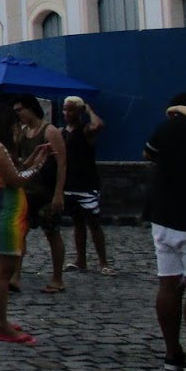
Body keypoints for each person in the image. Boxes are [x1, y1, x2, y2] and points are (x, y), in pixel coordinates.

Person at [0, 99, 50, 345]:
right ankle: (2, 325)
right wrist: (39, 165)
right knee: (2, 272)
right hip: (4, 215)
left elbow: (13, 168)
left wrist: (32, 157)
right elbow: (17, 179)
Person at [143, 92, 186, 371]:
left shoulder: (165, 128)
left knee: (167, 284)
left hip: (164, 217)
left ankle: (171, 352)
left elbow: (147, 154)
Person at [12, 95, 68, 294]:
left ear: (30, 109)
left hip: (46, 190)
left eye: (20, 110)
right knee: (20, 234)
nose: (18, 114)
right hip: (27, 191)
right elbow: (22, 162)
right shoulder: (24, 132)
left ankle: (57, 278)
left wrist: (59, 193)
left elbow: (62, 164)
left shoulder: (50, 131)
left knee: (52, 233)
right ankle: (15, 276)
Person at [61, 97, 112, 274]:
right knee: (77, 223)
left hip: (87, 184)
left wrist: (89, 110)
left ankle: (103, 262)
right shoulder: (63, 132)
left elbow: (98, 125)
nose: (67, 113)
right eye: (65, 110)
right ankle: (80, 260)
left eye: (71, 110)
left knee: (94, 223)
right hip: (70, 183)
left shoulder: (85, 131)